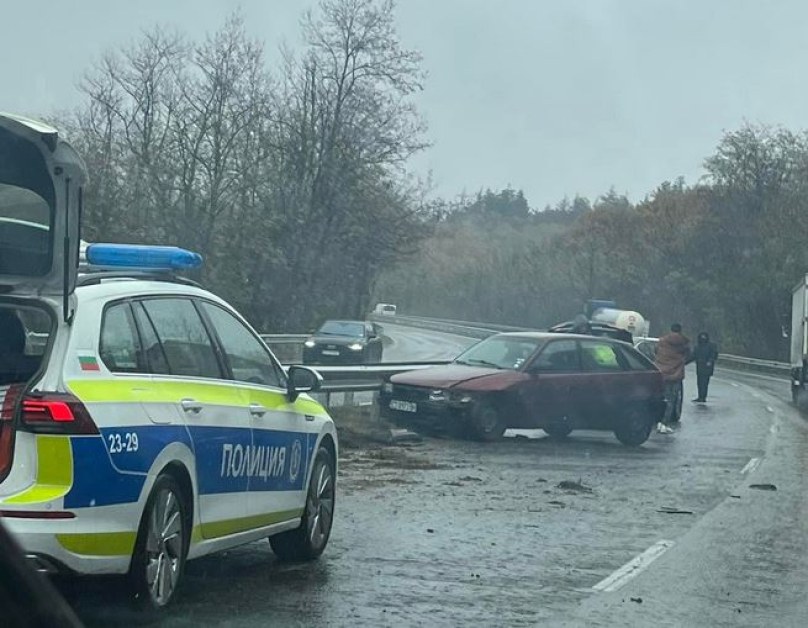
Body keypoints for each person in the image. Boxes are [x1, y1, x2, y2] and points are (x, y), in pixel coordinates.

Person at [654, 323, 691, 433]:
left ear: (670, 329)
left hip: (661, 373)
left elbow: (655, 352)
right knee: (672, 399)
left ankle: (658, 421)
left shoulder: (662, 341)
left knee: (660, 398)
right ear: (680, 330)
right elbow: (689, 355)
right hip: (676, 374)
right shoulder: (684, 343)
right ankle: (665, 423)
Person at [690, 332, 718, 403]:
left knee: (704, 382)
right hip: (700, 366)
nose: (703, 339)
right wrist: (684, 362)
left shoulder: (711, 346)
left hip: (707, 367)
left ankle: (703, 397)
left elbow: (714, 355)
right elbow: (693, 356)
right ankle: (700, 396)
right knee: (699, 382)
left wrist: (710, 361)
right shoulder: (697, 346)